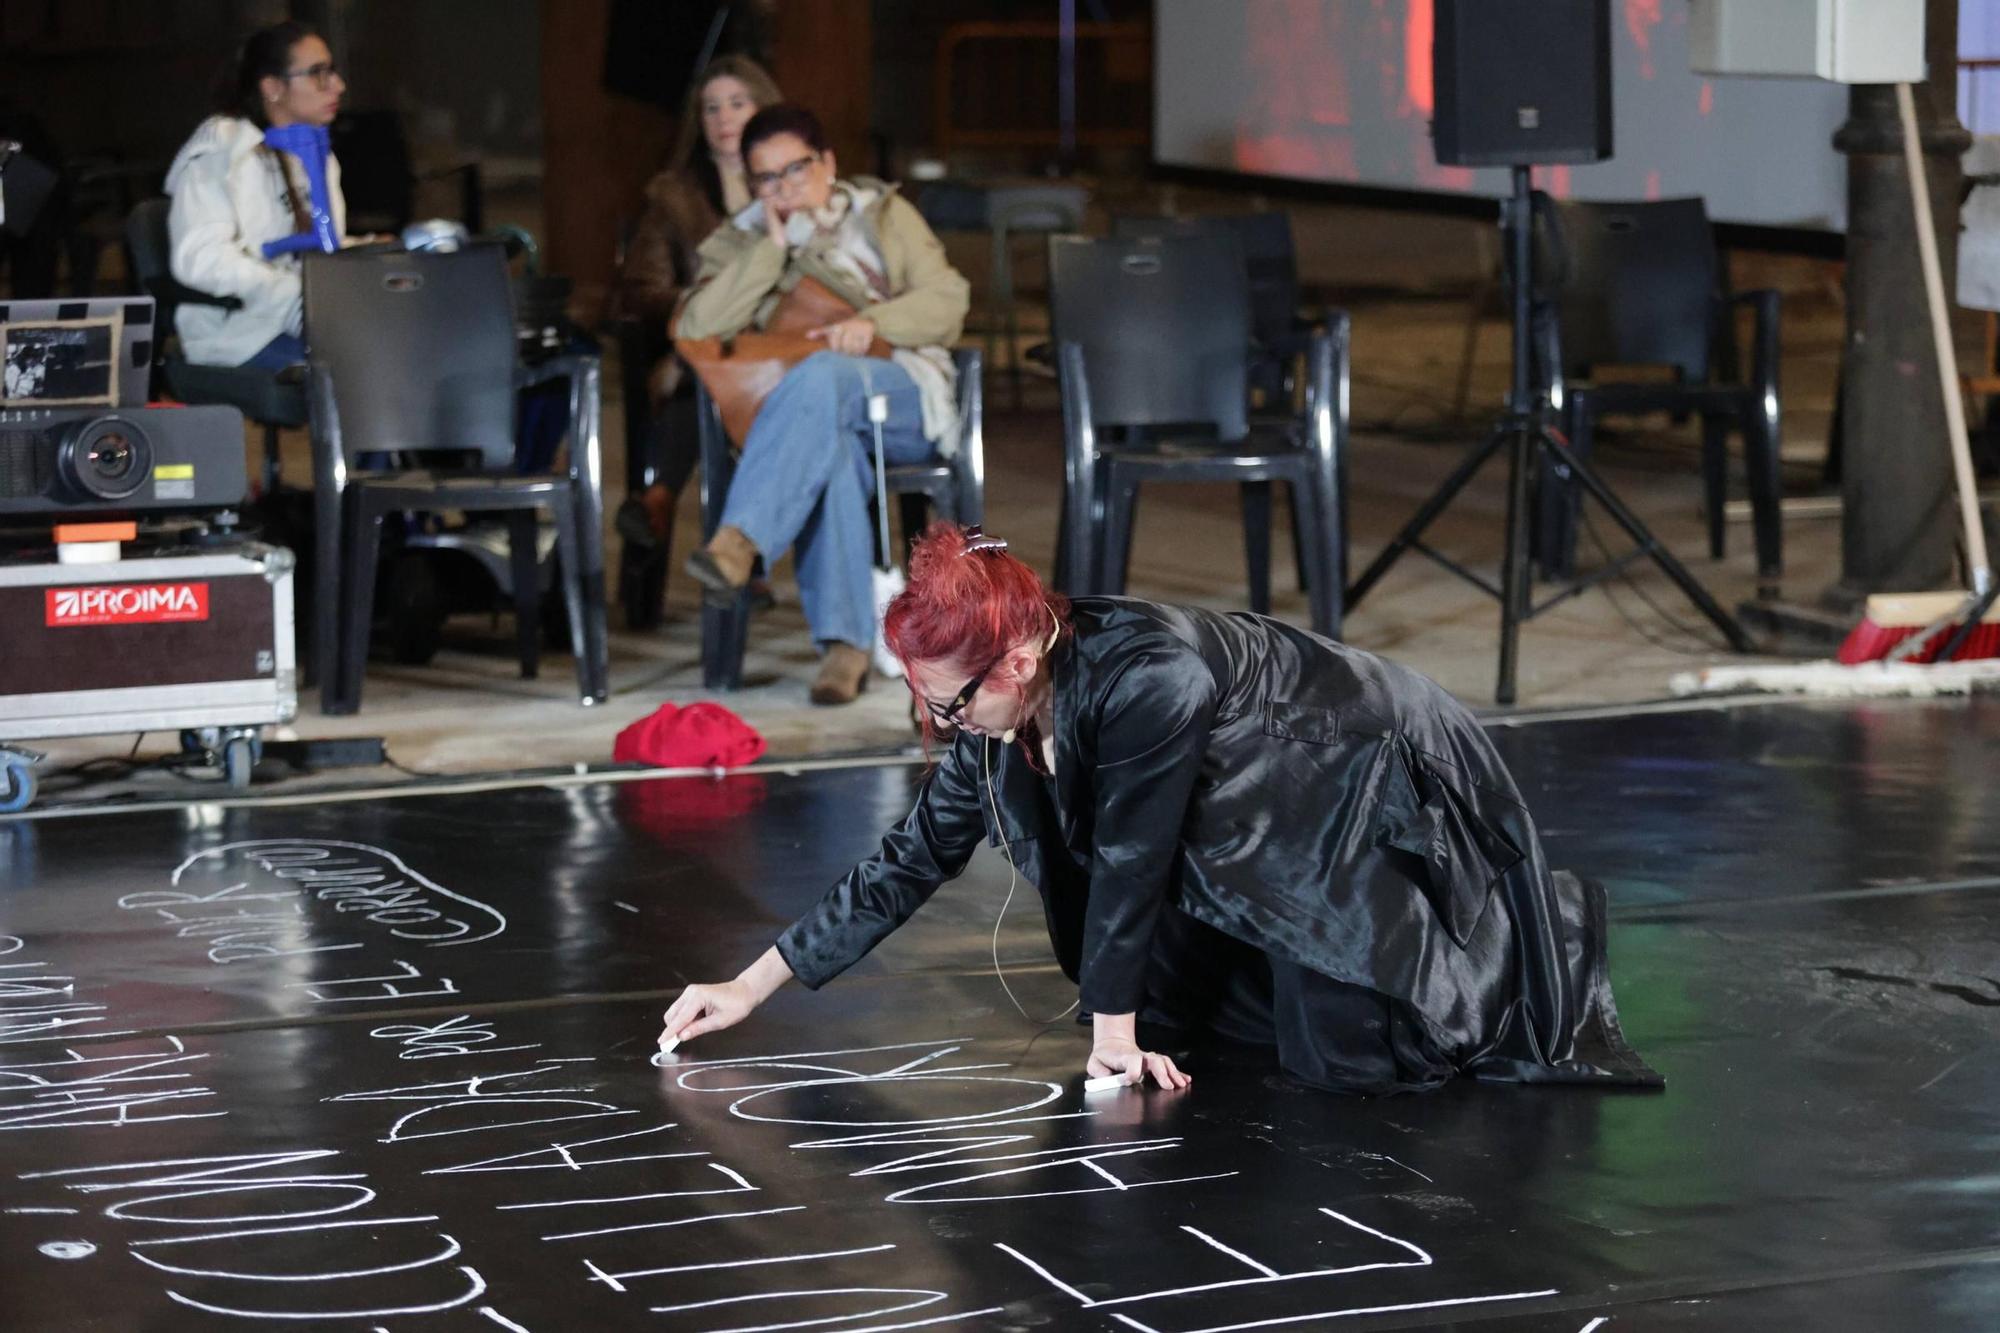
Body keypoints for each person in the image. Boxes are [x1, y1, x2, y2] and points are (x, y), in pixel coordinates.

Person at [659, 523, 1662, 1096]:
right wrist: (752, 983)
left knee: (1354, 1057)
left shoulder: (1148, 681)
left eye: (950, 700)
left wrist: (1108, 1033)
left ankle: (1497, 949)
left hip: (1336, 768)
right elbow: (910, 856)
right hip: (1234, 801)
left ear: (1016, 661)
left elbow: (1135, 862)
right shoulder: (996, 712)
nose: (937, 721)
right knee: (1197, 1022)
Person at [675, 105, 971, 706]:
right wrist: (770, 249)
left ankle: (740, 541)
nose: (785, 188)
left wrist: (873, 320)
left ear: (828, 162)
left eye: (797, 169)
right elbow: (697, 326)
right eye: (768, 178)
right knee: (831, 450)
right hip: (812, 421)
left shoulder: (882, 214)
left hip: (903, 392)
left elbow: (949, 299)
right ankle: (844, 646)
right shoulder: (743, 238)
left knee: (824, 375)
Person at [612, 56, 782, 617]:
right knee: (709, 371)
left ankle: (658, 498)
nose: (723, 118)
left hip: (782, 351)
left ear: (764, 108)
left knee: (726, 378)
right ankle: (741, 560)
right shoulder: (675, 196)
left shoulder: (794, 182)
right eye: (711, 107)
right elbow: (639, 288)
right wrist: (694, 307)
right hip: (701, 353)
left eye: (737, 103)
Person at [164, 20, 354, 371]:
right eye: (318, 74)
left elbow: (322, 248)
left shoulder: (316, 153)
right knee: (360, 371)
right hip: (239, 333)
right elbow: (201, 259)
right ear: (273, 87)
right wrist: (291, 293)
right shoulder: (223, 150)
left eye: (334, 72)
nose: (337, 86)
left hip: (308, 317)